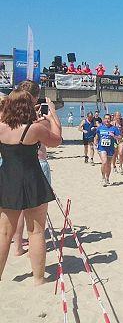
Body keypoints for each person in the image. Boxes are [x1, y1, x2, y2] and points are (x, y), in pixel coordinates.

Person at [0, 91, 62, 286]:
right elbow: (56, 141)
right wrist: (52, 116)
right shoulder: (34, 129)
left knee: (4, 233)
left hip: (8, 179)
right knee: (36, 232)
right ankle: (38, 278)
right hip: (32, 179)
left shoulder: (1, 127)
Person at [96, 113, 121, 186]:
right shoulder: (100, 128)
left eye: (108, 119)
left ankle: (107, 178)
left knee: (109, 164)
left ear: (111, 120)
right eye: (106, 119)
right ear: (103, 120)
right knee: (104, 162)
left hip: (110, 148)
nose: (107, 120)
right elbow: (97, 136)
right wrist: (95, 144)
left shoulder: (114, 128)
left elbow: (119, 137)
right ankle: (103, 177)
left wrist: (114, 136)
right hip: (102, 147)